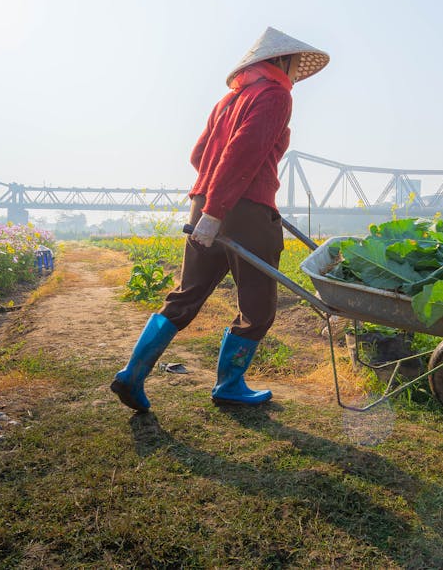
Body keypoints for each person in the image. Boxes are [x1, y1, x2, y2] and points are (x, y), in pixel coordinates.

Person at [110, 27, 329, 412]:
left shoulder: (228, 101)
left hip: (204, 204)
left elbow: (199, 157)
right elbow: (244, 153)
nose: (297, 73)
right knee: (257, 307)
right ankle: (230, 384)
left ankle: (132, 374)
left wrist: (208, 208)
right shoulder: (275, 94)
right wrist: (223, 209)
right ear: (281, 60)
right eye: (295, 64)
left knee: (185, 296)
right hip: (244, 211)